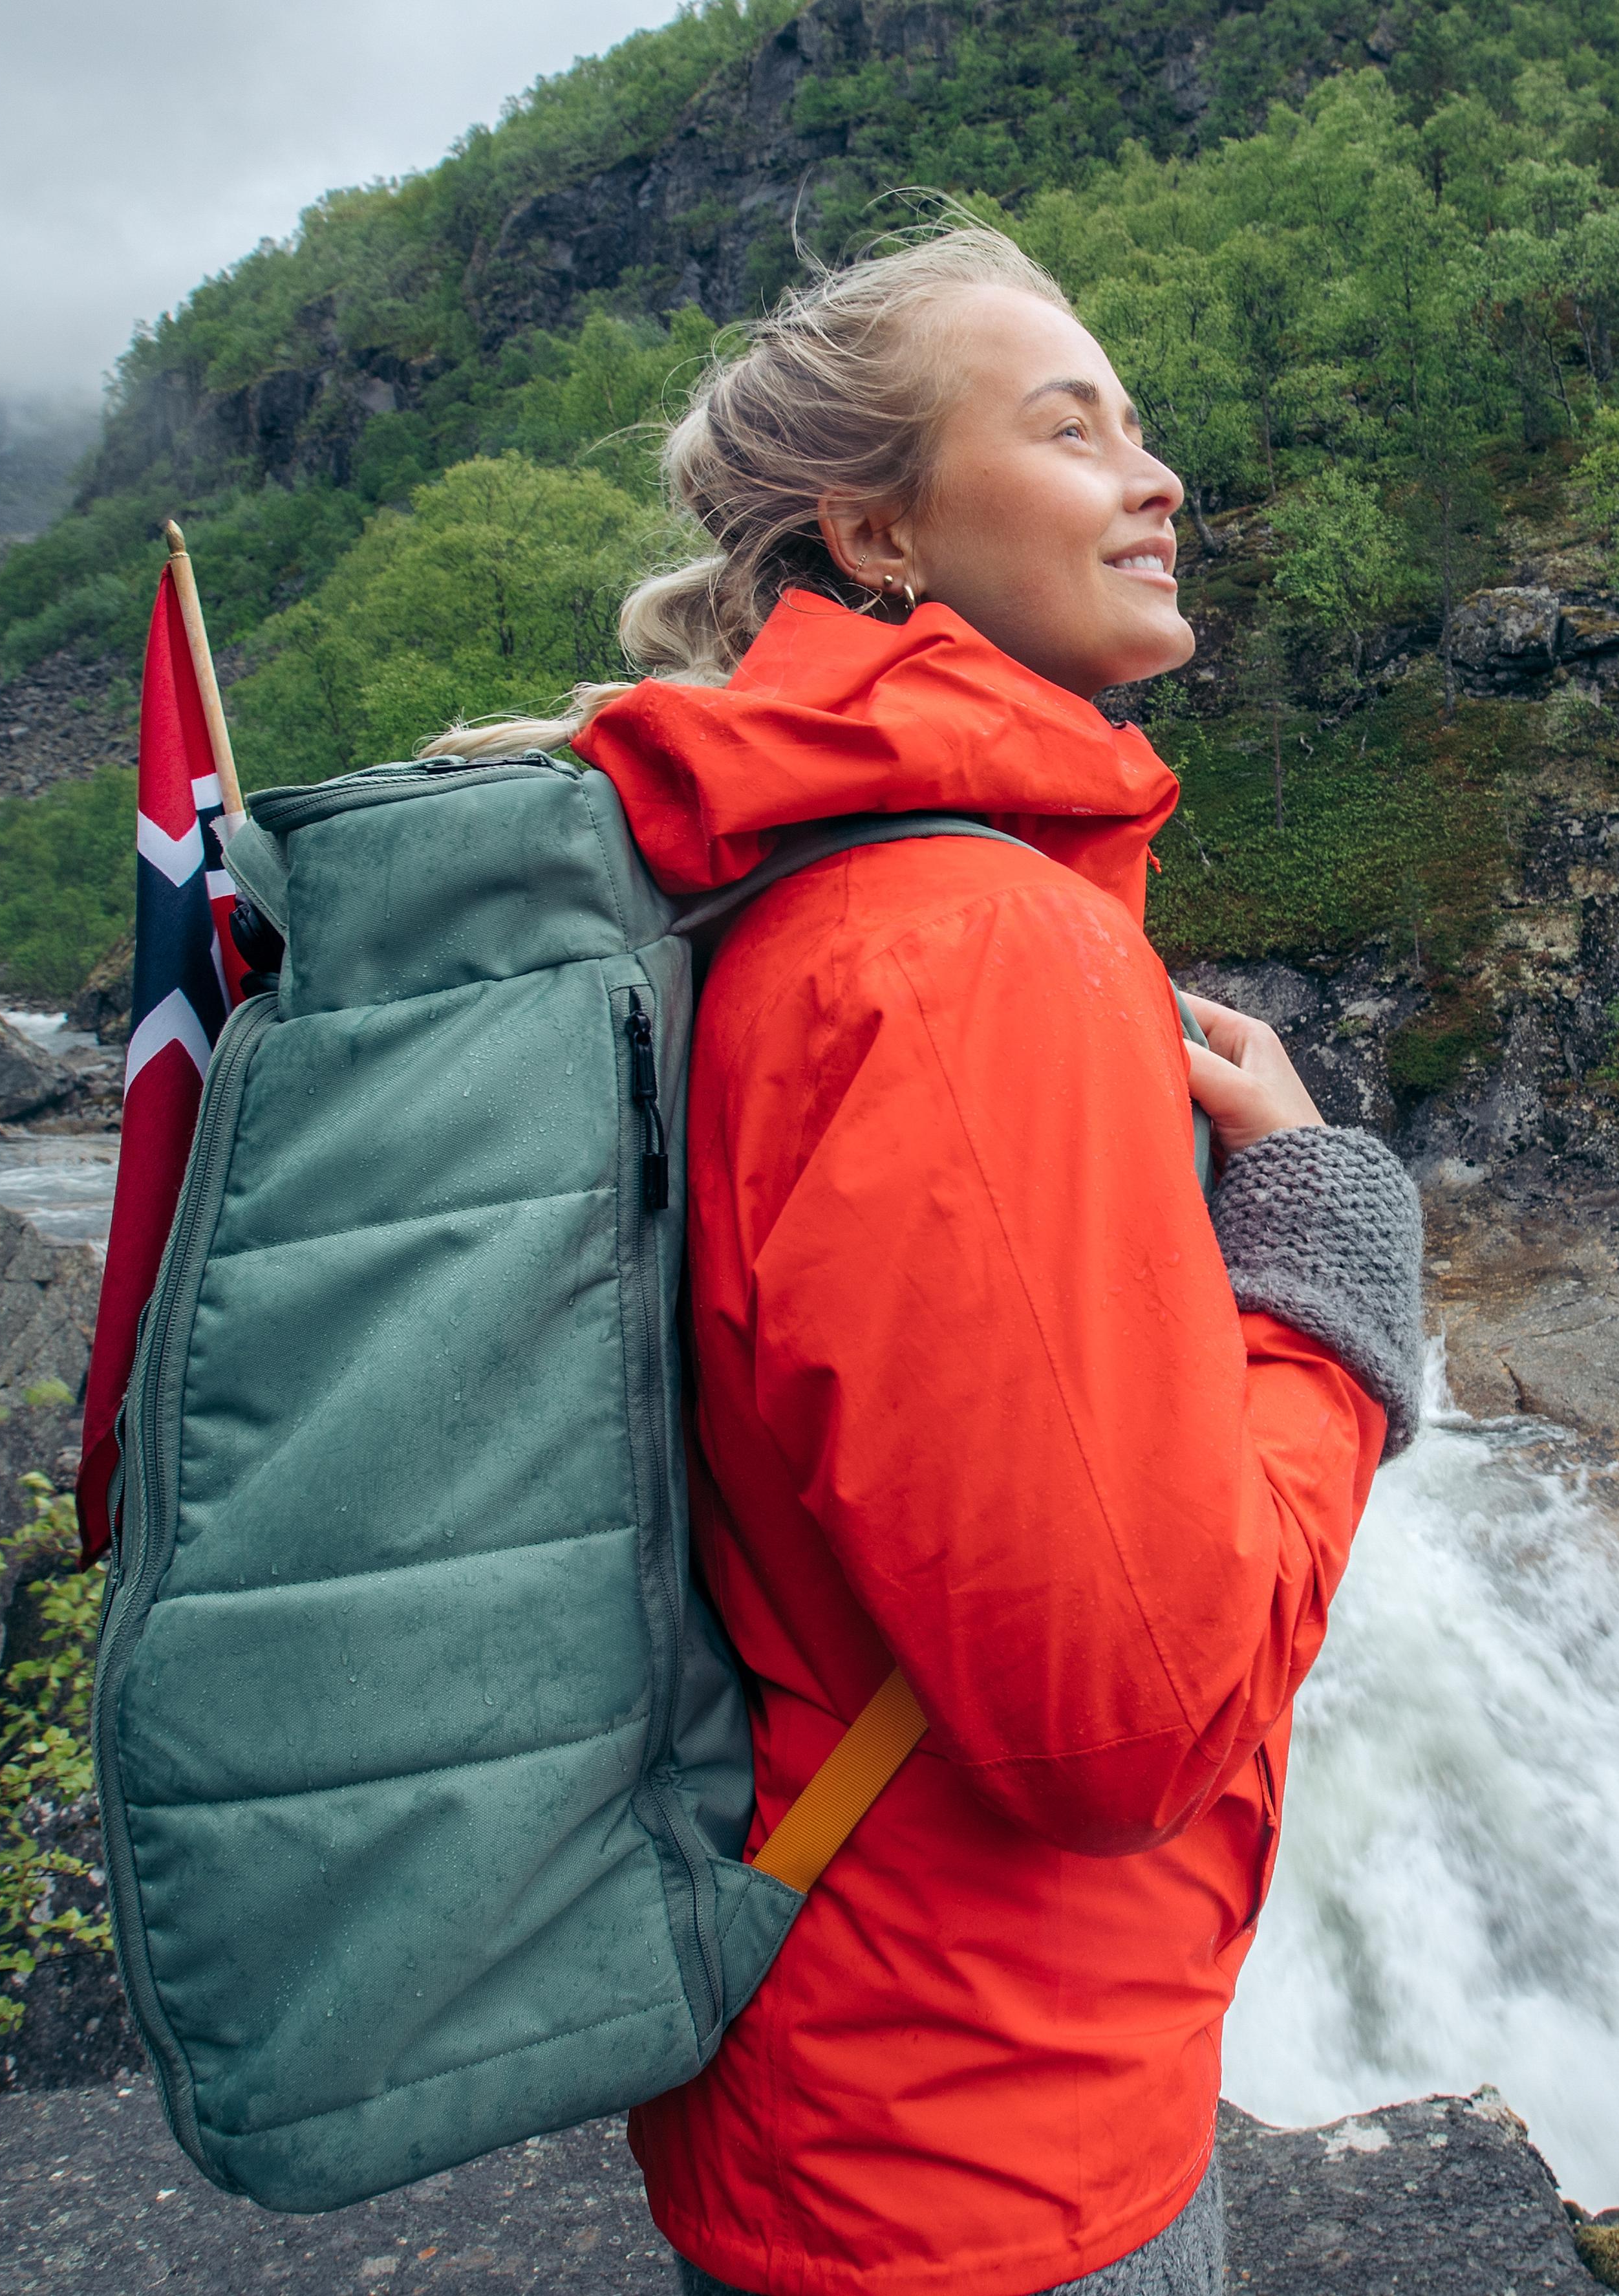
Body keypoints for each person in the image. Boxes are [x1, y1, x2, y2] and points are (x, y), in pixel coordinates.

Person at [431, 224, 1421, 2296]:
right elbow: (1123, 1722)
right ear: (875, 530)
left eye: (1144, 429)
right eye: (1073, 428)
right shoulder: (965, 949)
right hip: (981, 2141)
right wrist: (1328, 1276)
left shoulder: (793, 886)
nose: (1159, 479)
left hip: (861, 2066)